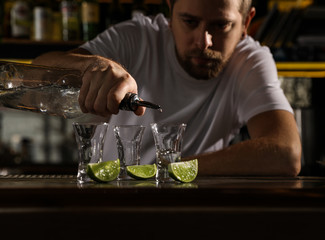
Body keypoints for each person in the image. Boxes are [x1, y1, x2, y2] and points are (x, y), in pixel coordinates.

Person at [33, 0, 302, 176]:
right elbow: (36, 74)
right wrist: (93, 66)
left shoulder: (251, 60)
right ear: (170, 13)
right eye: (189, 22)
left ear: (246, 23)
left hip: (193, 210)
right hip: (110, 203)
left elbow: (286, 153)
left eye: (220, 25)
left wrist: (168, 171)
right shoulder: (136, 37)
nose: (203, 42)